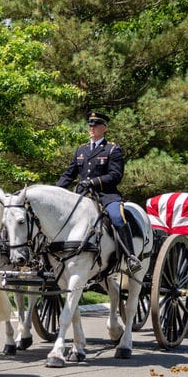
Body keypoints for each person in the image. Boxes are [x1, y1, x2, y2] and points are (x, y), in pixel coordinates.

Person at [56, 110, 141, 275]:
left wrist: (93, 182)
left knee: (117, 216)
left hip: (106, 196)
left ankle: (130, 257)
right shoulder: (81, 150)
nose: (92, 127)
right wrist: (56, 191)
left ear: (104, 128)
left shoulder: (112, 149)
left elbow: (116, 175)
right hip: (82, 196)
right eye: (90, 124)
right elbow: (68, 174)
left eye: (96, 125)